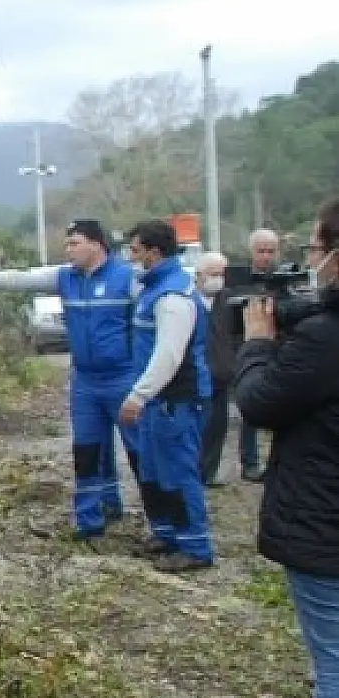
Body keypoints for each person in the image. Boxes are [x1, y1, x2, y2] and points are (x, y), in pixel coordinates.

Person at [233, 198, 339, 698]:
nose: (312, 262)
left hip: (325, 524)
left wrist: (258, 345)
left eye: (318, 248)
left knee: (335, 669)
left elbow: (259, 402)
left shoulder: (325, 337)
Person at [0, 219, 139, 541]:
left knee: (139, 449)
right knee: (88, 448)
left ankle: (163, 523)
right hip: (85, 381)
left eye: (74, 243)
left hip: (123, 377)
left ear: (96, 244)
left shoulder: (127, 277)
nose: (68, 250)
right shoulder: (66, 277)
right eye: (67, 244)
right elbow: (22, 279)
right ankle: (91, 517)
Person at [119, 219, 214, 572]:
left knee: (178, 471)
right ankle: (167, 534)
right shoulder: (154, 288)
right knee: (154, 470)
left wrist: (138, 396)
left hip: (176, 401)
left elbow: (169, 356)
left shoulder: (172, 296)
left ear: (154, 253)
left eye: (136, 250)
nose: (132, 258)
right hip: (160, 402)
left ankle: (195, 546)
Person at [236, 228, 284, 482]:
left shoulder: (286, 278)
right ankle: (249, 462)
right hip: (249, 348)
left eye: (270, 251)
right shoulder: (239, 279)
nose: (266, 256)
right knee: (250, 406)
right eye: (261, 251)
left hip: (281, 348)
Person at [193, 252, 239, 487]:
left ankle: (208, 473)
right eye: (213, 274)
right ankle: (194, 473)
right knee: (198, 427)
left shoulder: (227, 301)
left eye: (221, 274)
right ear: (198, 275)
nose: (217, 279)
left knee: (218, 427)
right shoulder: (188, 301)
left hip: (222, 374)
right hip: (197, 375)